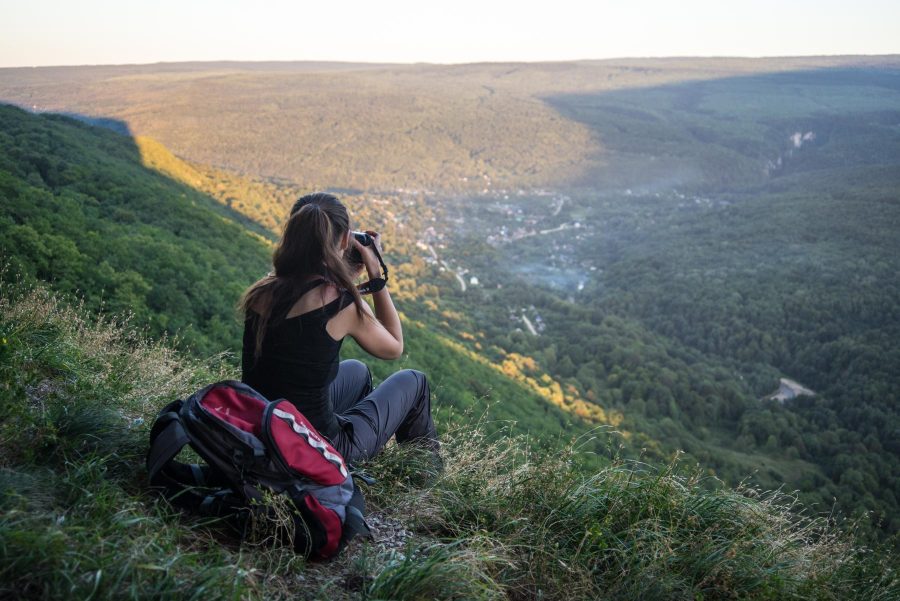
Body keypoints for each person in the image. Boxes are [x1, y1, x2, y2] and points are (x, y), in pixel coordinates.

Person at [239, 192, 439, 465]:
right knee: (414, 381)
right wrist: (376, 275)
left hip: (262, 427)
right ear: (345, 239)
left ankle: (362, 451)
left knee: (357, 370)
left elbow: (308, 304)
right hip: (316, 448)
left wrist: (346, 278)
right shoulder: (341, 304)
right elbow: (394, 346)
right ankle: (427, 480)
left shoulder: (262, 291)